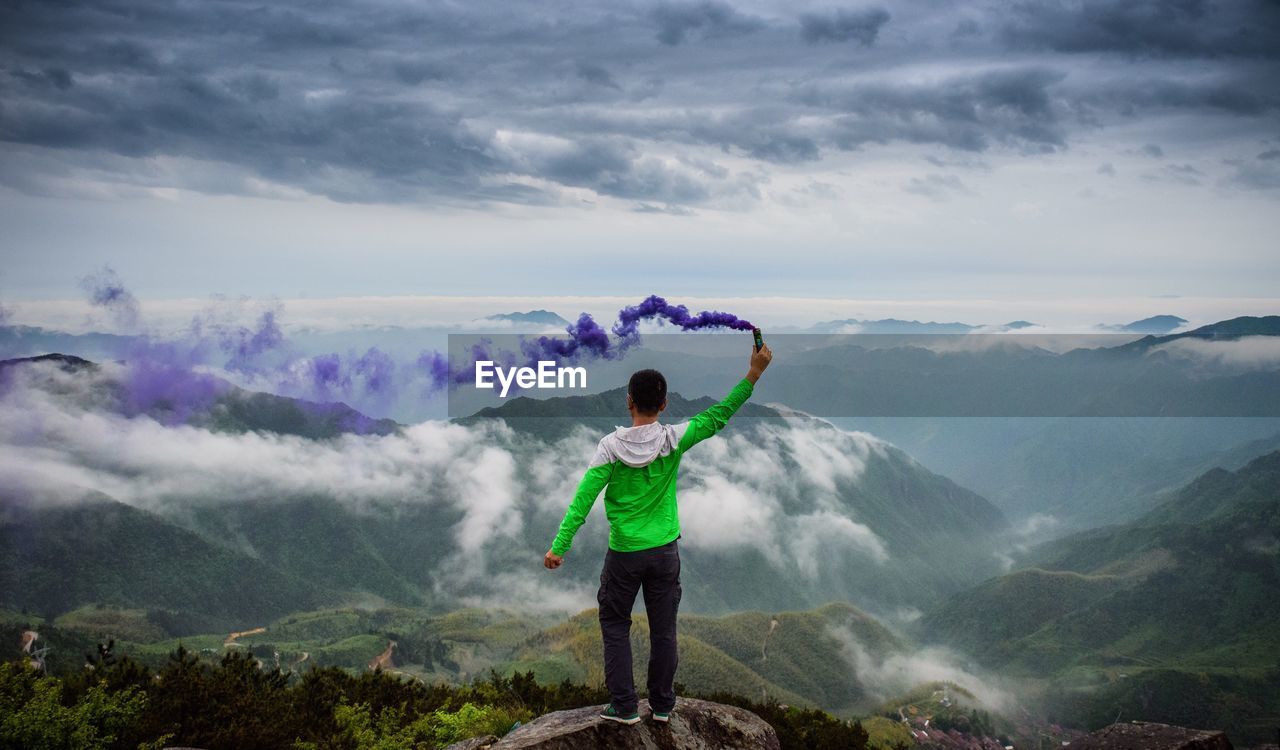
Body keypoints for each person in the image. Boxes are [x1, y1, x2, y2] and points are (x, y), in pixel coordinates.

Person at [543, 342, 773, 725]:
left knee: (615, 623)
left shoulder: (609, 449)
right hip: (665, 551)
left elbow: (582, 500)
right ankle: (663, 705)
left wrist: (558, 547)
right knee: (664, 630)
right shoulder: (674, 439)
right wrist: (754, 373)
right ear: (664, 404)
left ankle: (624, 706)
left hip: (625, 553)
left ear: (628, 401)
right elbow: (720, 415)